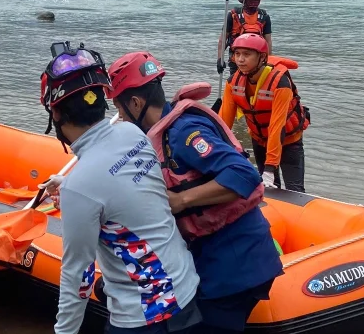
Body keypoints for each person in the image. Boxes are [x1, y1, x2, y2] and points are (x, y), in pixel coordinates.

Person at [107, 51, 283, 334]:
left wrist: (180, 200)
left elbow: (243, 174)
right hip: (219, 258)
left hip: (235, 262)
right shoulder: (161, 133)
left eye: (120, 109)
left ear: (136, 102)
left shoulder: (184, 132)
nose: (121, 119)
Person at [39, 41, 201, 334]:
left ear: (57, 115)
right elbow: (123, 190)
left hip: (143, 317)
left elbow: (79, 275)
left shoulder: (81, 187)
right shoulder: (131, 133)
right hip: (187, 293)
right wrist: (68, 186)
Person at [219, 34, 309, 193]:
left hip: (289, 141)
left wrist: (270, 168)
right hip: (260, 140)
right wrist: (216, 154)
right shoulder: (232, 82)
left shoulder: (280, 83)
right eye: (237, 54)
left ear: (261, 58)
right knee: (268, 191)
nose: (240, 60)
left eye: (246, 54)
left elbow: (277, 126)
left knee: (295, 191)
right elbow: (223, 125)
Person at [217, 0, 272, 76]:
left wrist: (269, 60)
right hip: (237, 60)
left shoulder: (264, 17)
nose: (255, 0)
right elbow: (222, 40)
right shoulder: (233, 16)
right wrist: (219, 59)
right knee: (236, 86)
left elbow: (268, 41)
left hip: (257, 62)